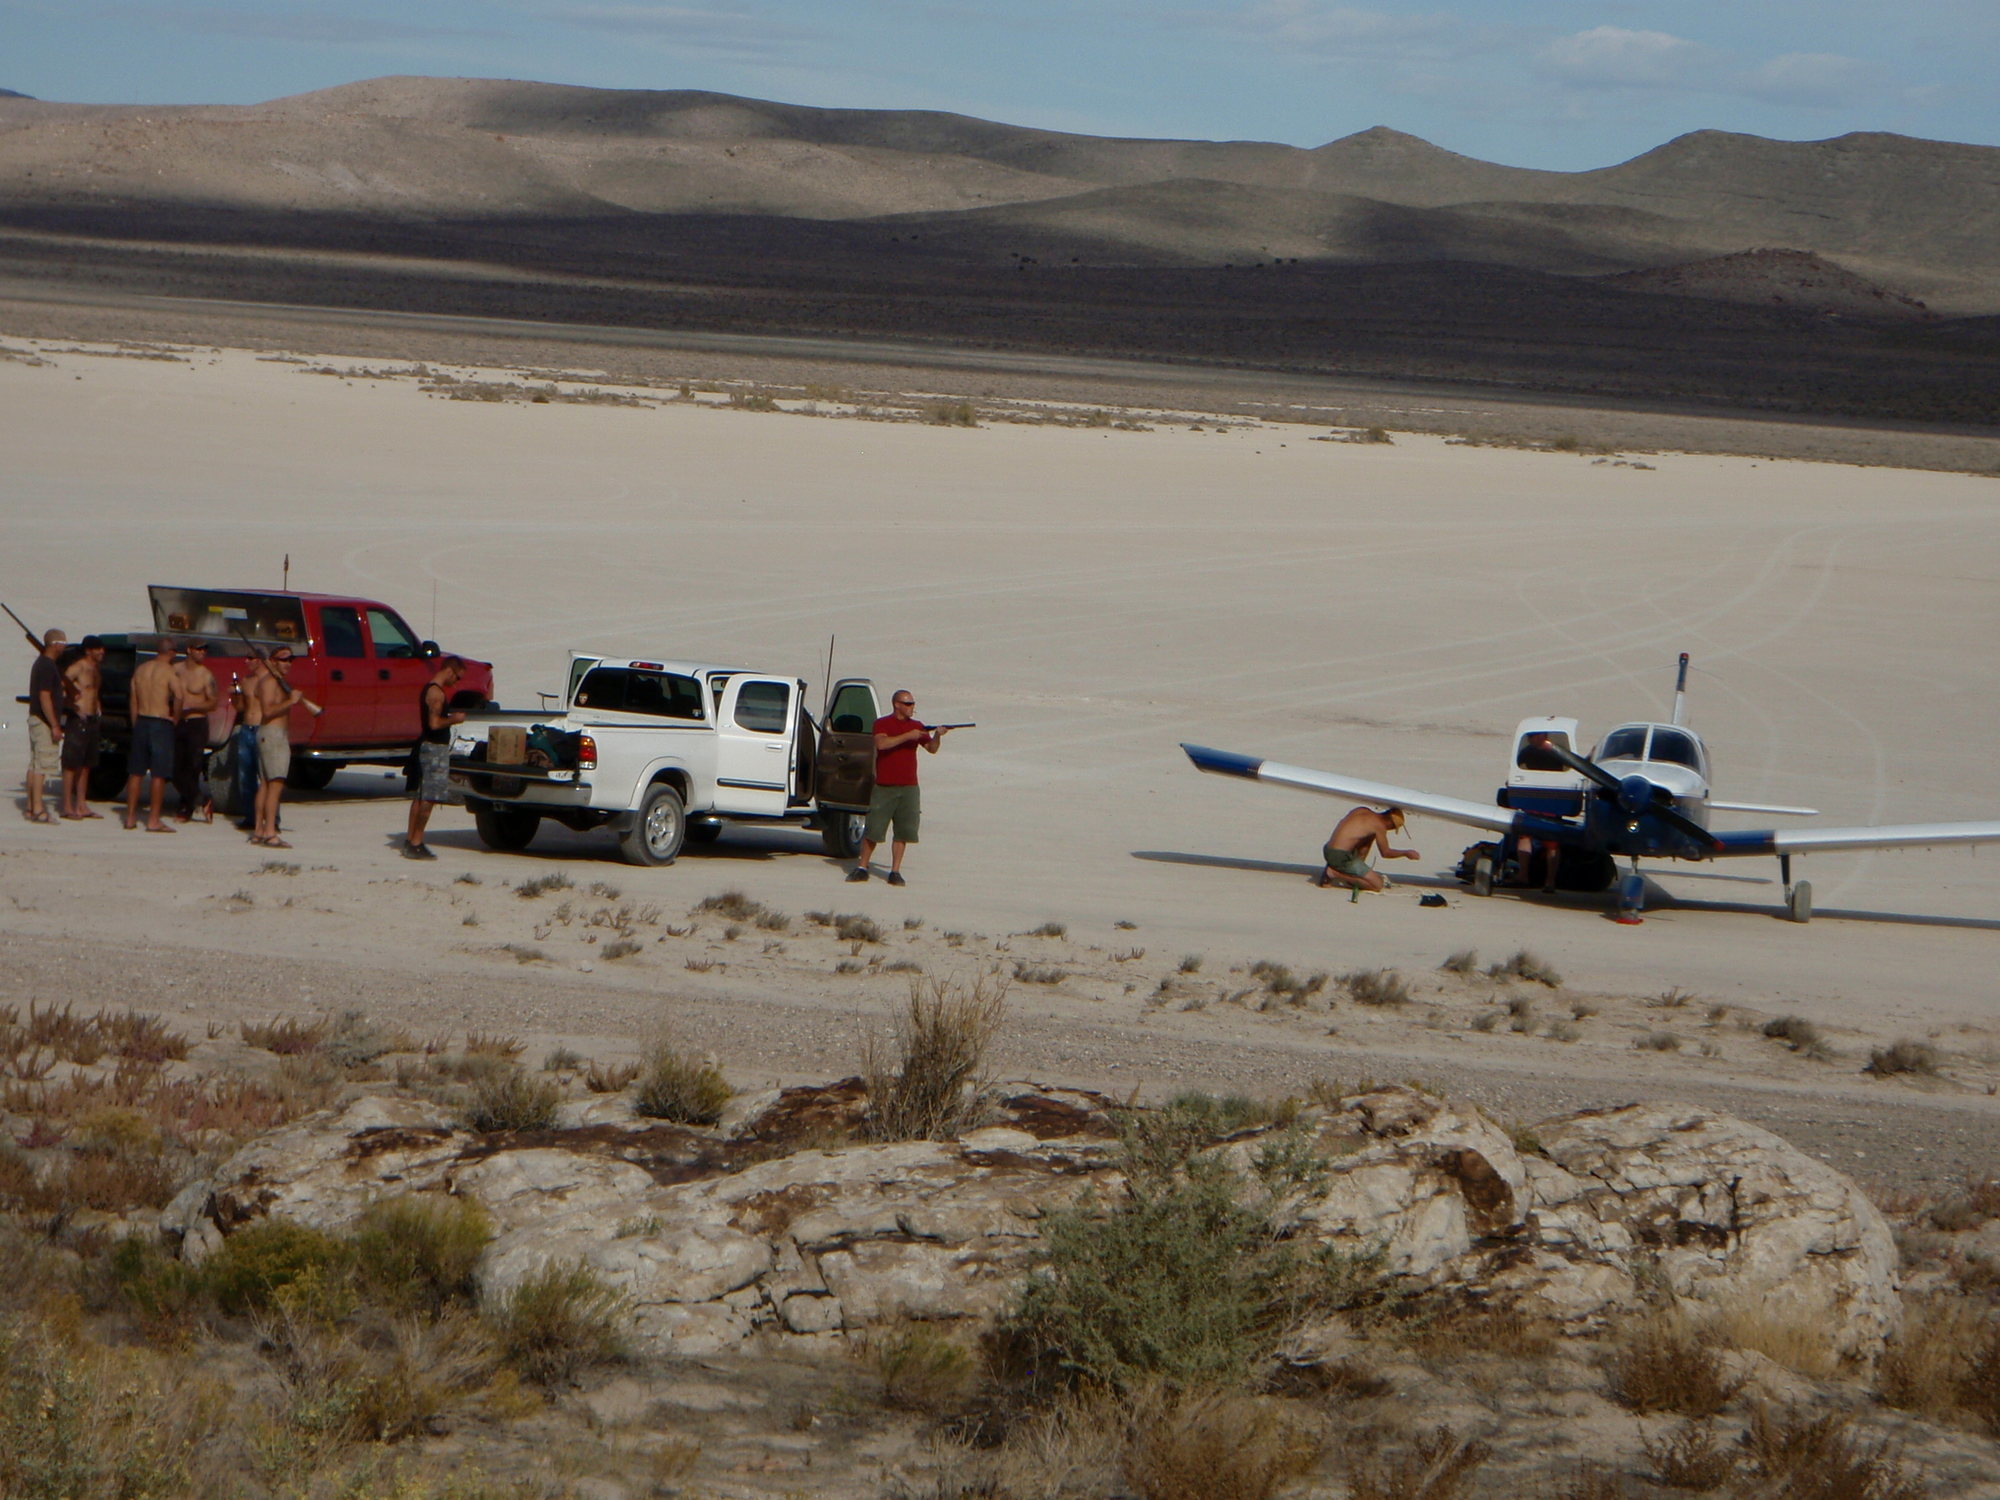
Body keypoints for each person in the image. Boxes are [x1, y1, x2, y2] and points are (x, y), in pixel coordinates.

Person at [847, 689, 951, 887]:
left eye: (913, 703)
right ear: (897, 705)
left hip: (909, 787)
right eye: (908, 703)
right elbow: (882, 744)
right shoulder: (882, 723)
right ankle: (862, 867)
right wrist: (907, 735)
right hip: (884, 786)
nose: (912, 707)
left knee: (904, 831)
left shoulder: (917, 727)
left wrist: (937, 736)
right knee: (874, 830)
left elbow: (931, 749)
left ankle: (895, 871)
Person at [404, 655, 467, 860]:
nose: (456, 682)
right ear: (450, 671)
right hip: (433, 750)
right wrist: (453, 720)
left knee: (420, 796)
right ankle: (416, 842)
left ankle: (410, 840)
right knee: (428, 799)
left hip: (428, 748)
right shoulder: (436, 694)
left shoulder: (431, 689)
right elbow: (434, 724)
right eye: (457, 678)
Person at [244, 647, 306, 848]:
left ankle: (259, 831)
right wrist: (291, 701)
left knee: (265, 785)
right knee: (274, 786)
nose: (288, 663)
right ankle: (270, 832)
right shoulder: (270, 682)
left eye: (291, 659)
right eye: (284, 659)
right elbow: (268, 711)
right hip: (273, 736)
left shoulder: (275, 682)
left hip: (270, 736)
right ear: (272, 661)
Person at [123, 640, 182, 832]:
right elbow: (179, 696)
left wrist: (135, 722)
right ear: (171, 653)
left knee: (136, 772)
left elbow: (133, 699)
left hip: (142, 720)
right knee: (158, 774)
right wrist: (175, 717)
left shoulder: (141, 669)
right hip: (160, 721)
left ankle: (130, 817)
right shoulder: (169, 671)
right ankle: (153, 819)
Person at [1317, 805, 1419, 896]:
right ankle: (1334, 873)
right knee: (1377, 885)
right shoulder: (1379, 826)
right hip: (1340, 856)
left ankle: (1339, 869)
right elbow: (1385, 852)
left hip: (1328, 849)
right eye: (1391, 827)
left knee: (1368, 839)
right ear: (1389, 821)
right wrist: (1406, 853)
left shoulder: (1361, 810)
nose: (1389, 830)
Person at [59, 636, 106, 820]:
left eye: (102, 649)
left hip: (93, 719)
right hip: (78, 720)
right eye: (98, 649)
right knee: (71, 764)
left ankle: (81, 804)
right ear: (88, 650)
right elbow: (61, 686)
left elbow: (93, 691)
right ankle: (67, 806)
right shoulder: (78, 667)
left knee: (86, 765)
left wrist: (98, 705)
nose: (102, 652)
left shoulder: (95, 668)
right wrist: (71, 705)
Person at [171, 639, 218, 823]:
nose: (202, 652)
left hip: (196, 723)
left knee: (192, 766)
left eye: (205, 649)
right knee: (175, 768)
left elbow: (213, 702)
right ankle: (201, 799)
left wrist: (191, 705)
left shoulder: (205, 675)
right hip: (177, 722)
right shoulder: (175, 669)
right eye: (199, 649)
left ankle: (186, 807)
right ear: (189, 650)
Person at [23, 628, 65, 824]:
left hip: (35, 718)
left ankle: (31, 807)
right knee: (41, 766)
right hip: (43, 721)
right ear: (56, 645)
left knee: (34, 763)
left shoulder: (41, 664)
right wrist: (55, 725)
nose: (64, 647)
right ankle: (39, 809)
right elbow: (45, 696)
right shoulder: (47, 666)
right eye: (63, 643)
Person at [230, 656, 265, 829]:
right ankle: (250, 817)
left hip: (261, 729)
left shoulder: (269, 681)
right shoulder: (246, 681)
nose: (246, 661)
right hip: (246, 728)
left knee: (266, 777)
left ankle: (273, 819)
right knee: (246, 776)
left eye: (250, 658)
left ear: (259, 660)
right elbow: (241, 708)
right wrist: (235, 696)